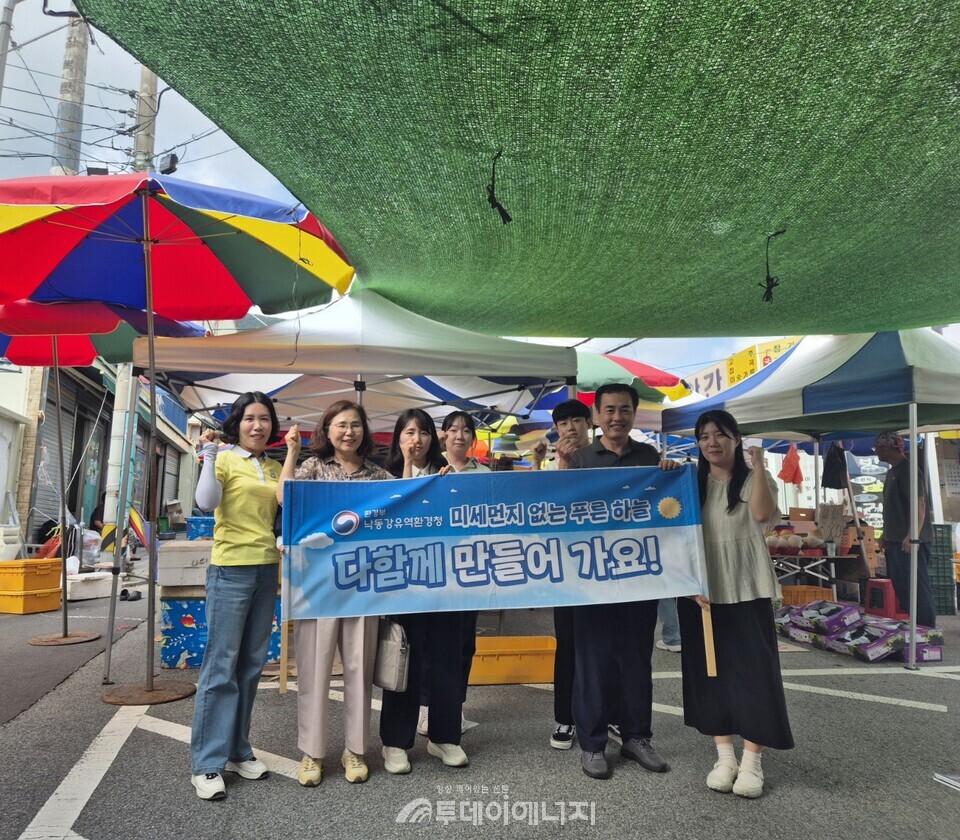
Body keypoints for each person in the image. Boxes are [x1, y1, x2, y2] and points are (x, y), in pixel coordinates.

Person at [678, 409, 794, 800]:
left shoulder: (752, 480)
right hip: (702, 593)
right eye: (704, 436)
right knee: (710, 674)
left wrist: (759, 465)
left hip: (747, 588)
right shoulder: (690, 483)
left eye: (721, 435)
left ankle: (752, 760)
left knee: (755, 674)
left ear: (736, 438)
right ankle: (724, 755)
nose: (712, 443)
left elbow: (762, 514)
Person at [278, 401, 391, 787]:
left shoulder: (378, 475)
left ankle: (355, 750)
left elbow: (405, 500)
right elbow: (286, 498)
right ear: (327, 431)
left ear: (365, 431)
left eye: (356, 425)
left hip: (363, 585)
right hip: (318, 584)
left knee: (359, 668)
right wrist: (292, 452)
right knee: (314, 668)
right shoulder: (312, 468)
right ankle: (312, 753)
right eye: (341, 425)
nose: (349, 432)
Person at [568, 383, 679, 780]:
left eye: (625, 410)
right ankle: (593, 744)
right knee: (593, 662)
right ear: (596, 415)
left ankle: (636, 737)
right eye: (610, 410)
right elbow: (560, 513)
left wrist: (668, 475)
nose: (617, 417)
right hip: (590, 580)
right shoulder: (579, 459)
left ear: (634, 414)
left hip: (638, 579)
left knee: (636, 660)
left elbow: (664, 511)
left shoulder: (649, 456)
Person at [189, 392, 283, 801]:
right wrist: (209, 455)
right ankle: (207, 763)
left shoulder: (277, 466)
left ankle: (238, 749)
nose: (257, 426)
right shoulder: (224, 458)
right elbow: (206, 502)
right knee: (221, 665)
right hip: (230, 569)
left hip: (267, 569)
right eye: (249, 419)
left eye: (264, 419)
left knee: (249, 666)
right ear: (237, 424)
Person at [379, 409, 469, 773]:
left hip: (448, 584)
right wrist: (406, 474)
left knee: (448, 658)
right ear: (398, 438)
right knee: (403, 658)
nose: (416, 439)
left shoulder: (447, 477)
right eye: (409, 432)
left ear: (435, 439)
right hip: (403, 585)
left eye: (424, 432)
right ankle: (395, 743)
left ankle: (444, 737)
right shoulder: (381, 480)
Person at [416, 410, 490, 738]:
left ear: (474, 439)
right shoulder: (429, 469)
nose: (460, 435)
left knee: (464, 642)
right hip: (432, 569)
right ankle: (425, 707)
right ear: (443, 435)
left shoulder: (485, 474)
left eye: (466, 430)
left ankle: (455, 705)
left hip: (470, 570)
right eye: (453, 429)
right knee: (429, 644)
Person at [542, 399, 592, 750]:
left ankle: (609, 714)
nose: (570, 428)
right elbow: (549, 513)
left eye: (577, 420)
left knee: (610, 646)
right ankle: (565, 718)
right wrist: (562, 464)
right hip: (568, 573)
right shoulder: (551, 467)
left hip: (611, 570)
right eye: (563, 423)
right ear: (556, 429)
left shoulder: (608, 460)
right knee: (569, 645)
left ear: (590, 423)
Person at [874, 431, 937, 627]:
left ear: (887, 448)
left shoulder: (908, 470)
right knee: (903, 587)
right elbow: (894, 507)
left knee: (917, 586)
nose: (876, 452)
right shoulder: (892, 471)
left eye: (878, 448)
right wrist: (886, 533)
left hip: (910, 541)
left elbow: (919, 504)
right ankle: (916, 626)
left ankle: (927, 630)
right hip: (895, 540)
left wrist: (913, 536)